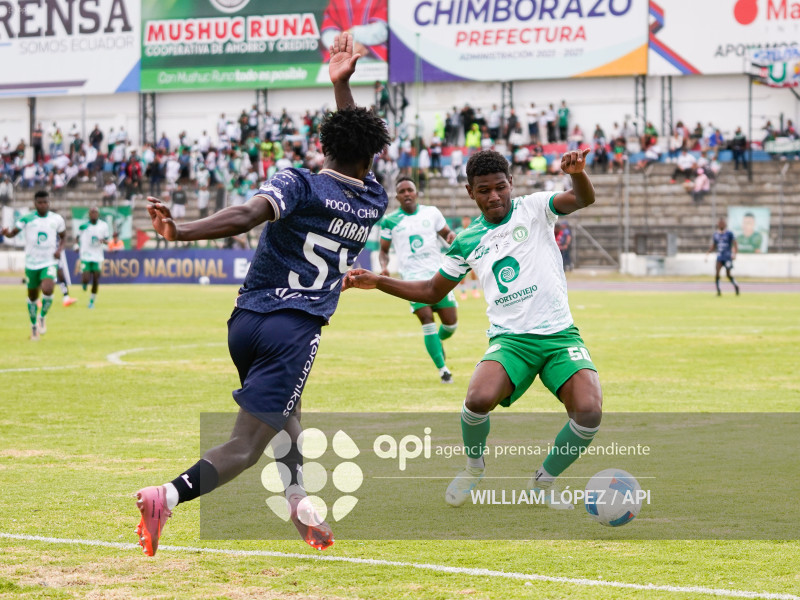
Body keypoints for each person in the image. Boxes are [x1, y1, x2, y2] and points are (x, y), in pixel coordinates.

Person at [134, 33, 390, 557]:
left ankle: (298, 498)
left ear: (323, 146)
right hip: (293, 328)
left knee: (286, 407)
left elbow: (247, 214)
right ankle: (167, 496)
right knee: (245, 446)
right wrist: (343, 87)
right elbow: (356, 145)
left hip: (246, 321)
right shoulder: (375, 200)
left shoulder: (299, 183)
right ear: (372, 156)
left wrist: (181, 230)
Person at [345, 148, 601, 511]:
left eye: (500, 187)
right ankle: (473, 467)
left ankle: (544, 481)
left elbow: (583, 198)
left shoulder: (535, 208)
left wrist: (576, 173)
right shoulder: (467, 240)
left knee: (589, 412)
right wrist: (378, 281)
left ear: (511, 183)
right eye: (484, 190)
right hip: (511, 341)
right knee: (477, 400)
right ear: (470, 192)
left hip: (560, 336)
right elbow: (431, 290)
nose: (494, 196)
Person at [379, 177, 457, 384]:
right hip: (412, 279)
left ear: (416, 193)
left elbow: (447, 233)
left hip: (438, 275)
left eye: (409, 190)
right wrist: (384, 266)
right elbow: (384, 251)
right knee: (426, 320)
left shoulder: (432, 212)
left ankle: (436, 342)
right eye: (402, 191)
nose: (406, 193)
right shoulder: (389, 221)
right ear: (397, 196)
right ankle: (443, 370)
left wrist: (451, 236)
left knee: (451, 325)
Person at [1, 191, 66, 340]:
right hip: (31, 263)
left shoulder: (57, 219)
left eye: (45, 202)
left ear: (49, 203)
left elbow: (63, 237)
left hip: (49, 261)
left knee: (48, 289)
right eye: (40, 203)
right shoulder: (27, 218)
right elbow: (13, 233)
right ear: (35, 204)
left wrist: (59, 250)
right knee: (32, 296)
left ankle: (42, 316)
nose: (43, 205)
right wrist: (6, 233)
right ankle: (33, 326)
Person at [78, 206, 110, 308]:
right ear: (89, 214)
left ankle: (91, 301)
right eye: (92, 213)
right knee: (86, 278)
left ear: (98, 214)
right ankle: (84, 283)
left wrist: (103, 241)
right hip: (86, 255)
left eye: (95, 212)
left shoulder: (103, 225)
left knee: (96, 279)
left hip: (97, 256)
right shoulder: (83, 226)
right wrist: (76, 245)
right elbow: (77, 237)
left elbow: (107, 240)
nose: (93, 214)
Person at [706, 218, 740, 296]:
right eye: (720, 224)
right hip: (719, 257)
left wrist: (735, 254)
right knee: (717, 273)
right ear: (718, 225)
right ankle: (718, 291)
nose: (721, 225)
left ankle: (736, 285)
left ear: (725, 224)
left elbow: (735, 243)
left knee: (728, 274)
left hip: (727, 257)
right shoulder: (716, 234)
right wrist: (708, 252)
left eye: (722, 224)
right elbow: (714, 245)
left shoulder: (729, 233)